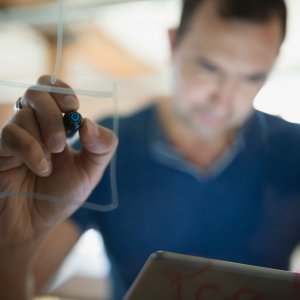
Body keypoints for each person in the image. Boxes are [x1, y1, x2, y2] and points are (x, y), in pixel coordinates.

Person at [0, 0, 295, 299]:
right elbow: (23, 283)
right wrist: (12, 242)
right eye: (209, 67)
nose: (224, 99)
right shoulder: (100, 150)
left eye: (252, 77)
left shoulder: (294, 152)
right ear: (173, 43)